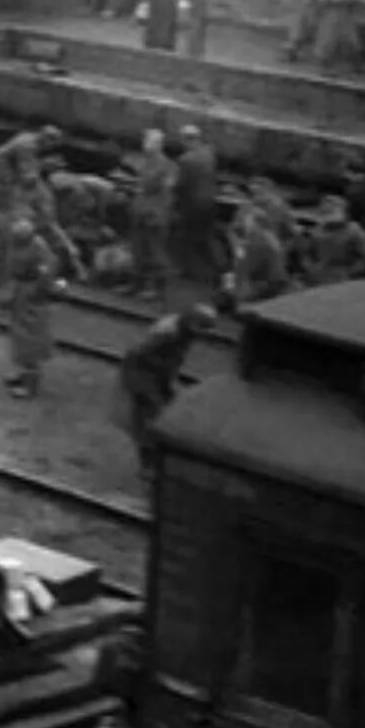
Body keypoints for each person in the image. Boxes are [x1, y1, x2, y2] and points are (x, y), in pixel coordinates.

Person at [112, 306, 215, 478]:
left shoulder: (183, 331)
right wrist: (155, 380)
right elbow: (139, 355)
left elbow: (173, 358)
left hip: (155, 376)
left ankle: (158, 461)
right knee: (150, 418)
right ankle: (148, 465)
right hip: (142, 376)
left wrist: (169, 380)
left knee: (164, 414)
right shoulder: (168, 332)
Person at [0, 212, 62, 400]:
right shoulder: (18, 243)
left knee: (30, 338)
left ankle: (31, 385)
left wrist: (37, 292)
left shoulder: (39, 247)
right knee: (19, 336)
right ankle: (22, 374)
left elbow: (47, 272)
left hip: (33, 294)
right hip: (21, 291)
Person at [126, 128, 177, 301]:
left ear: (159, 145)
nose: (145, 145)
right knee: (138, 251)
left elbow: (153, 187)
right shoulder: (148, 162)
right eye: (146, 141)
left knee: (156, 253)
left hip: (154, 217)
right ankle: (136, 285)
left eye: (150, 142)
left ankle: (158, 290)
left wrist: (157, 215)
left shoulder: (165, 166)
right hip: (141, 213)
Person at [171, 126, 222, 287]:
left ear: (187, 139)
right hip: (210, 202)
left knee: (186, 238)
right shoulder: (209, 154)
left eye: (183, 140)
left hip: (193, 205)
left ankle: (188, 271)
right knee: (206, 238)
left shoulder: (186, 160)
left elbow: (180, 185)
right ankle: (218, 271)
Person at [299, 196, 365, 286]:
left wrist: (349, 271)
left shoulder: (355, 232)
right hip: (319, 278)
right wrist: (311, 268)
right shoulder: (316, 231)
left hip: (345, 280)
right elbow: (306, 255)